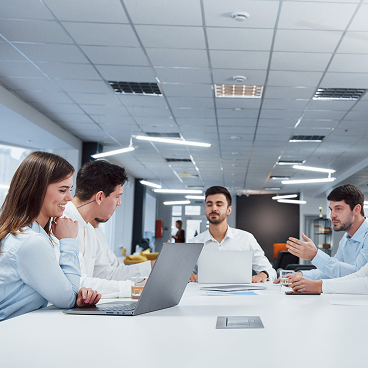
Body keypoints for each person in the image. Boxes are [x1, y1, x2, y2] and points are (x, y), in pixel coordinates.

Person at [0, 152, 100, 321]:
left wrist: (76, 292)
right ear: (36, 190)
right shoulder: (30, 242)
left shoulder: (28, 234)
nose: (69, 198)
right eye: (62, 190)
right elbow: (68, 299)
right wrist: (68, 241)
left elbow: (65, 291)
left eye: (70, 190)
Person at [62, 159, 152, 298]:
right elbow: (76, 283)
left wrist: (149, 268)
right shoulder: (62, 223)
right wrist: (133, 288)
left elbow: (106, 274)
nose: (119, 203)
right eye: (117, 196)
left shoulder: (89, 229)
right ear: (99, 197)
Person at [276, 184, 368, 285]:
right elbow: (333, 272)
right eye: (331, 209)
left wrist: (315, 255)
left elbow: (358, 275)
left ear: (356, 210)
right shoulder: (346, 239)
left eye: (339, 209)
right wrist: (300, 275)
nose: (332, 215)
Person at [189, 186, 276, 283]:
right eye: (209, 205)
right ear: (205, 209)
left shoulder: (246, 238)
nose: (213, 208)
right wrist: (188, 275)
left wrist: (263, 274)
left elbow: (271, 272)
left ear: (229, 210)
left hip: (240, 296)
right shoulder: (194, 243)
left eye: (219, 204)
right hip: (203, 296)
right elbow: (183, 273)